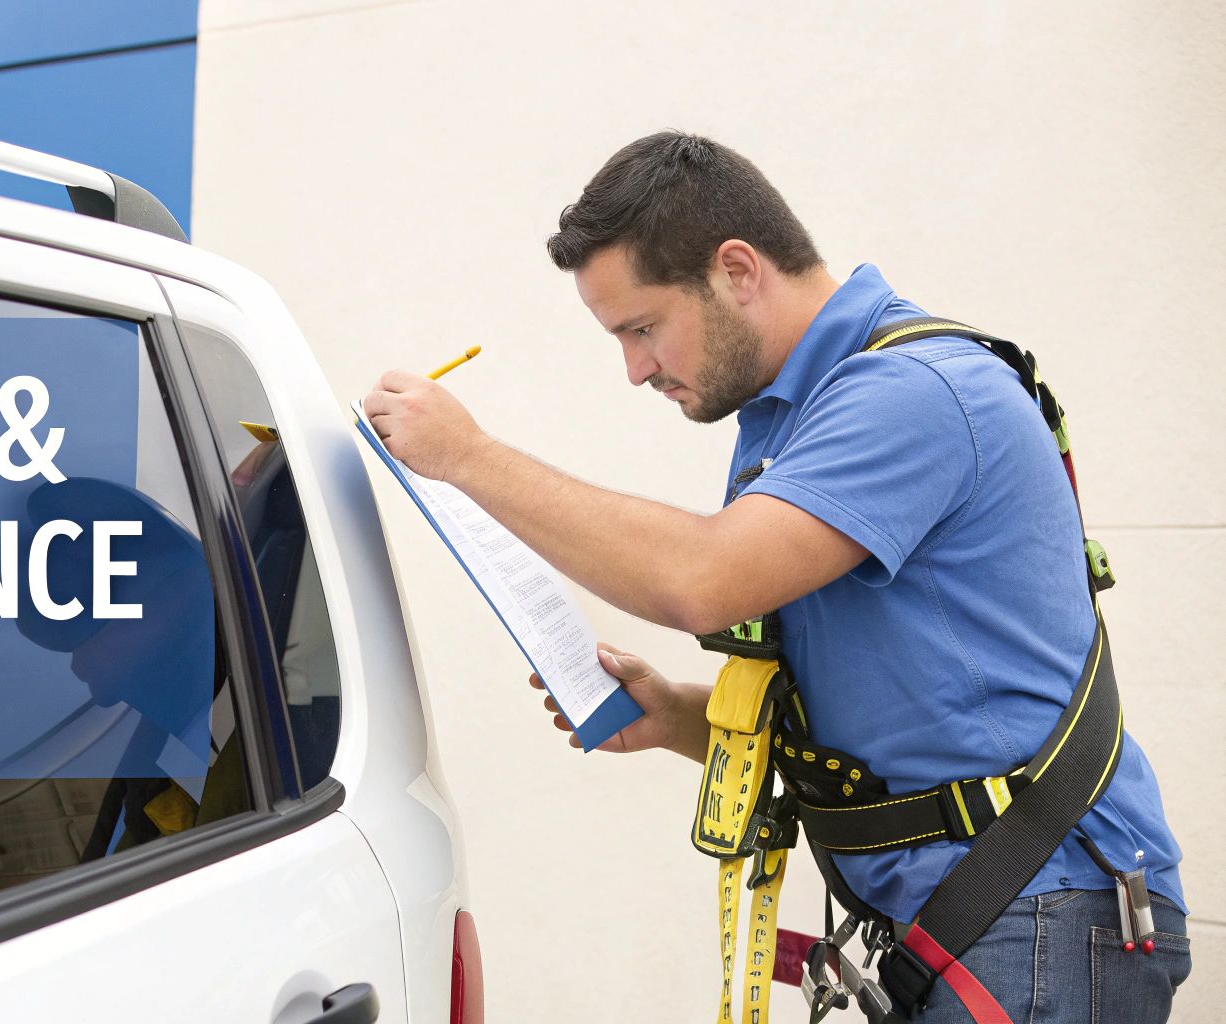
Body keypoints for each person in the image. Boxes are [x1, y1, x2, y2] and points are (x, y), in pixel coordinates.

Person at [360, 131, 1187, 1022]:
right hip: (981, 921)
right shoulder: (798, 416)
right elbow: (894, 706)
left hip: (1037, 912)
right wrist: (683, 717)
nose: (635, 369)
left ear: (739, 270)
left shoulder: (909, 392)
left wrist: (470, 457)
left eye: (642, 328)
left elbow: (702, 579)